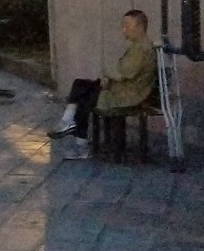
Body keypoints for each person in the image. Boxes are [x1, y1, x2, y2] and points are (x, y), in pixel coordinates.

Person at [50, 9, 157, 157]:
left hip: (128, 95)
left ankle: (76, 136)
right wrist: (110, 76)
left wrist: (107, 73)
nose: (123, 29)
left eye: (127, 25)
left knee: (85, 97)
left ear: (140, 26)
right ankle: (70, 124)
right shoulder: (138, 46)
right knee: (80, 85)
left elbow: (123, 74)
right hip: (123, 89)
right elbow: (121, 72)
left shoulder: (142, 49)